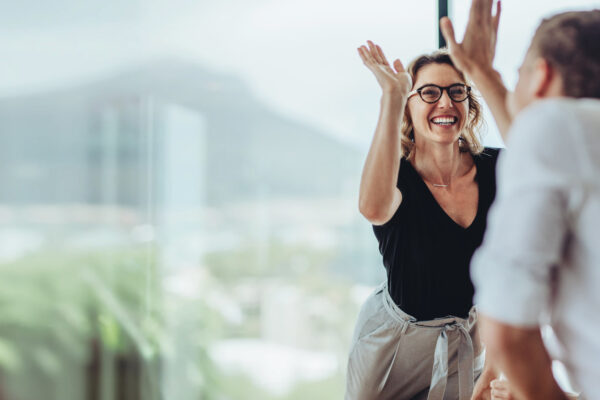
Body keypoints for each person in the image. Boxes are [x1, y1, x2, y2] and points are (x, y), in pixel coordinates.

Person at [440, 1, 600, 399]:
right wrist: (485, 74)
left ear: (541, 76)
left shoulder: (555, 125)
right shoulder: (578, 139)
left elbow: (507, 326)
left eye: (518, 76)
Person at [346, 40, 502, 399]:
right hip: (393, 346)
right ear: (408, 107)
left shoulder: (498, 169)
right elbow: (373, 209)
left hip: (466, 339)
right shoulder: (394, 177)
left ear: (468, 103)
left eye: (456, 91)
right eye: (429, 93)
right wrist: (392, 96)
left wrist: (495, 364)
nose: (445, 103)